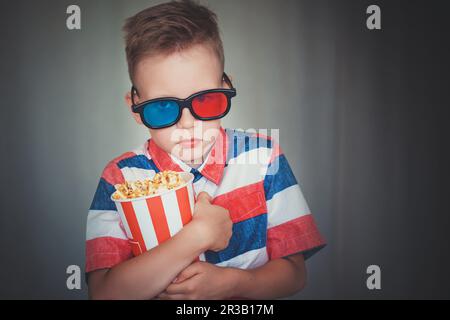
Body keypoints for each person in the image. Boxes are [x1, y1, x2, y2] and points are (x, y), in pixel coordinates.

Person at [86, 0, 325, 300]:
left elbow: (295, 274)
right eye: (163, 107)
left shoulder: (263, 159)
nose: (188, 124)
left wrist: (233, 283)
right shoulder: (119, 180)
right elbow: (105, 295)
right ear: (135, 108)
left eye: (205, 101)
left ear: (226, 87)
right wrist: (197, 237)